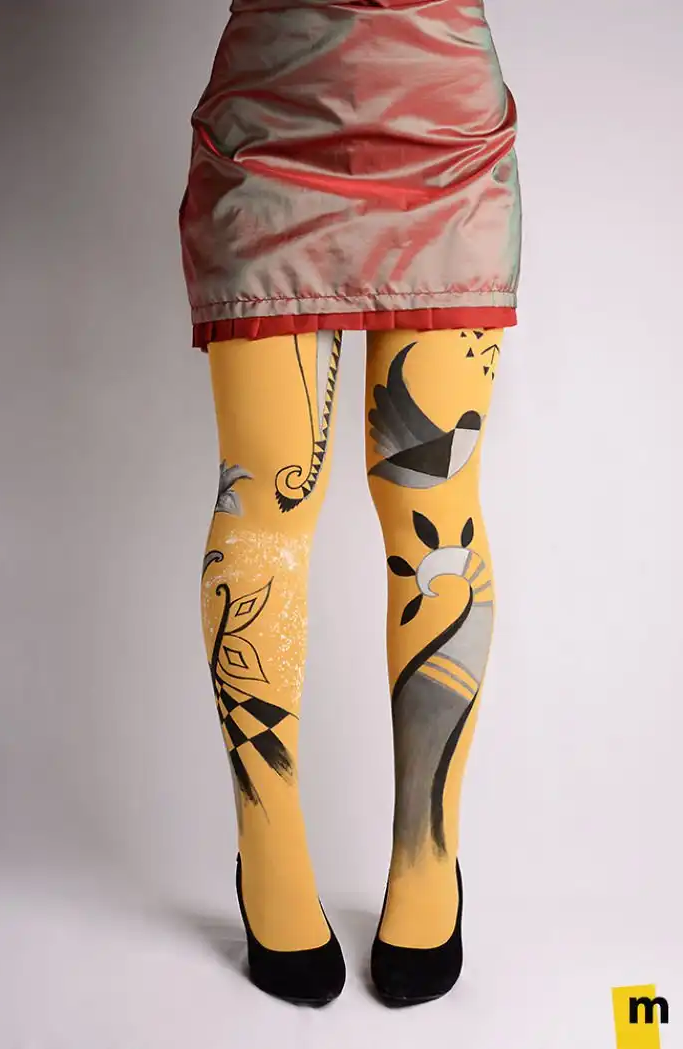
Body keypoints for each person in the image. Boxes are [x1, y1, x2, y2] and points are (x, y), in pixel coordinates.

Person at [178, 0, 521, 1007]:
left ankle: (428, 849)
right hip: (272, 120)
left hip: (443, 125)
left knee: (432, 500)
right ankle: (267, 846)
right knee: (263, 498)